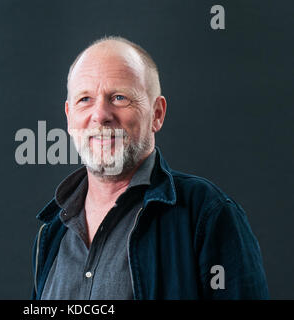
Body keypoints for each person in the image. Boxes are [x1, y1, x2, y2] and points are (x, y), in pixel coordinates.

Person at [31, 36, 269, 299]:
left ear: (157, 114)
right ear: (69, 117)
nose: (100, 115)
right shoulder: (52, 231)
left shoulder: (207, 215)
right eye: (85, 99)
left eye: (119, 97)